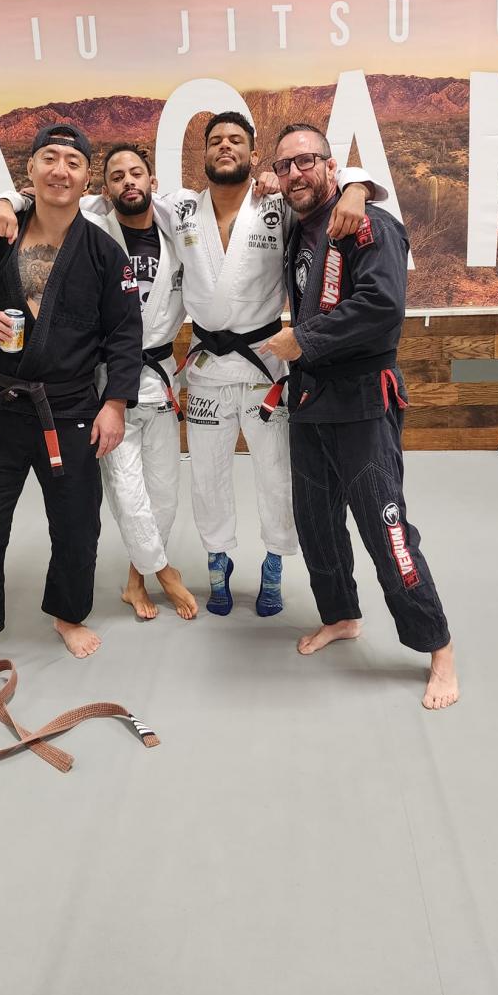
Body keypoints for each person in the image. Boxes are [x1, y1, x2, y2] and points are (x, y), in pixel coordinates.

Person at [0, 124, 142, 693]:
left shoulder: (104, 251)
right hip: (0, 406)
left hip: (71, 408)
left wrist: (115, 404)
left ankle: (68, 616)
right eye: (49, 158)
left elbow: (126, 333)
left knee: (77, 525)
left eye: (73, 162)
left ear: (86, 179)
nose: (60, 170)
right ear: (29, 170)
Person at [261, 122, 459, 710]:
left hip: (363, 401)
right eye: (285, 165)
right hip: (309, 401)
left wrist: (303, 340)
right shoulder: (300, 227)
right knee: (316, 522)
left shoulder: (370, 223)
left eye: (306, 161)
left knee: (385, 527)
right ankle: (341, 615)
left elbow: (382, 307)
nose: (295, 173)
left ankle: (439, 647)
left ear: (332, 166)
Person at [168, 112, 380, 617]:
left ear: (253, 153)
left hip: (266, 364)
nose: (225, 147)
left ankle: (274, 566)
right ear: (203, 153)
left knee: (277, 473)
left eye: (235, 140)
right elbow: (110, 199)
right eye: (215, 141)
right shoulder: (179, 208)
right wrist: (10, 200)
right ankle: (217, 562)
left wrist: (357, 187)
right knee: (207, 474)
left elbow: (326, 188)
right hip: (207, 370)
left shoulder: (276, 203)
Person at [0, 143, 197, 621]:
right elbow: (37, 197)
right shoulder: (94, 224)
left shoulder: (176, 228)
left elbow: (212, 208)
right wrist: (3, 201)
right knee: (126, 491)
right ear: (103, 190)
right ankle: (164, 571)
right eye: (116, 176)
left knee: (163, 492)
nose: (128, 182)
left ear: (153, 182)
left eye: (136, 173)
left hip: (162, 379)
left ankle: (136, 580)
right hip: (107, 383)